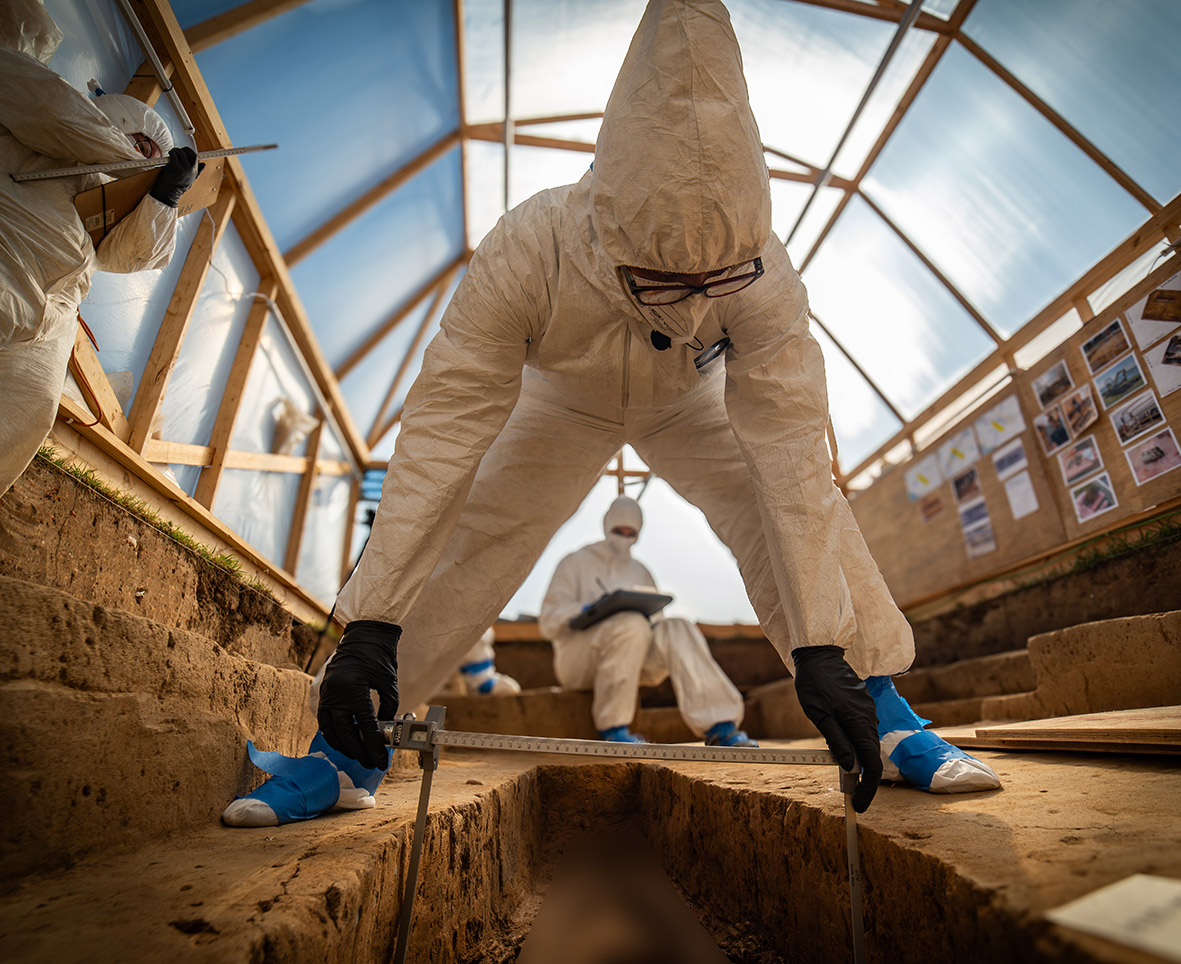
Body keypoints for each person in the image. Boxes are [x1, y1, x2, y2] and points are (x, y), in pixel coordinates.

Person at [229, 0, 998, 827]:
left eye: (721, 286)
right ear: (609, 237)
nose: (699, 311)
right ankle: (347, 757)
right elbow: (444, 434)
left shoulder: (764, 274)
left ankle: (886, 715)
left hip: (693, 404)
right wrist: (369, 625)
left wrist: (818, 645)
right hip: (559, 401)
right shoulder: (532, 247)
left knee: (775, 507)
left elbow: (794, 459)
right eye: (670, 286)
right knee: (479, 531)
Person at [0, 0, 198, 497]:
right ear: (117, 122)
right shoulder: (50, 119)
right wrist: (133, 162)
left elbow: (133, 256)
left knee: (29, 411)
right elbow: (52, 111)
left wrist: (163, 198)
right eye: (143, 147)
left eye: (150, 159)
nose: (141, 162)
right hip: (14, 263)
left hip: (54, 315)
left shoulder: (103, 197)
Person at [540, 495, 755, 746]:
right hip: (579, 661)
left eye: (630, 533)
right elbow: (548, 622)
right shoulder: (575, 562)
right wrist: (590, 609)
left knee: (678, 627)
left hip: (633, 655)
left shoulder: (639, 571)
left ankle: (720, 726)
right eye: (618, 530)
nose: (624, 536)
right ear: (606, 524)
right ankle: (614, 730)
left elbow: (656, 623)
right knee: (630, 623)